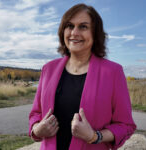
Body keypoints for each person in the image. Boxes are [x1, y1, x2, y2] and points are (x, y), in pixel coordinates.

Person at [29, 3, 136, 150]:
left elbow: (125, 125)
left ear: (95, 33)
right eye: (69, 26)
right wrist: (37, 130)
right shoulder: (49, 69)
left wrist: (94, 136)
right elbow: (36, 113)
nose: (74, 33)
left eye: (83, 27)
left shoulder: (113, 72)